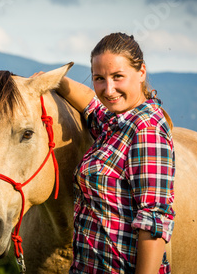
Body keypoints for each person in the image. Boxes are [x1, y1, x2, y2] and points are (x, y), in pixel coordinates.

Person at [44, 32, 176, 273]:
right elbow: (90, 104)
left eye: (118, 77)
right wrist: (49, 80)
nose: (108, 89)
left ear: (141, 72)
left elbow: (154, 223)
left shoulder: (145, 131)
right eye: (99, 78)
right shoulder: (116, 122)